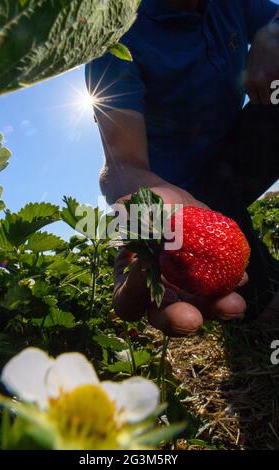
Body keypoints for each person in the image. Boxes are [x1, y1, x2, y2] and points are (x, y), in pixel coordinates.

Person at [85, 0, 279, 336]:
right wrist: (137, 207)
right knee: (258, 303)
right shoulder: (113, 38)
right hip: (180, 198)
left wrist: (274, 32)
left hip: (235, 156)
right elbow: (123, 163)